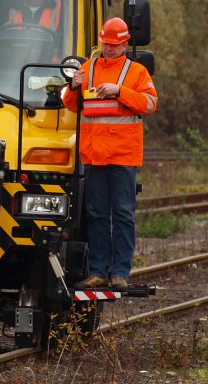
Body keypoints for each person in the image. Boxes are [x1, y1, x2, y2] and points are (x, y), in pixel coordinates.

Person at [62, 16, 157, 291]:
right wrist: (73, 86)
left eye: (114, 45)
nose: (109, 49)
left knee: (123, 214)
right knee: (97, 214)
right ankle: (99, 272)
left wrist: (120, 91)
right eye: (106, 44)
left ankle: (120, 273)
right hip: (94, 155)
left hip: (123, 156)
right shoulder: (87, 68)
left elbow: (150, 104)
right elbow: (71, 105)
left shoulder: (137, 72)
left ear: (125, 44)